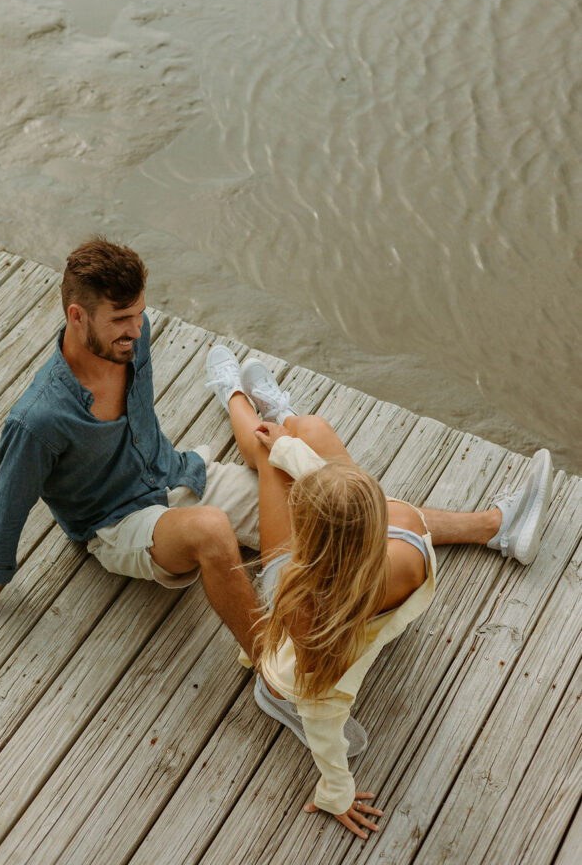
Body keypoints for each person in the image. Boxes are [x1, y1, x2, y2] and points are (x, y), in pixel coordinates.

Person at [204, 345, 553, 839]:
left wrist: (336, 793)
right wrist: (292, 445)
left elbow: (323, 717)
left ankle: (234, 396)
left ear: (310, 539)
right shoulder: (401, 540)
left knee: (268, 451)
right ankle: (272, 409)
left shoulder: (304, 609)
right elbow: (345, 495)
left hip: (305, 636)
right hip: (343, 602)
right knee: (308, 434)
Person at [0, 239, 263, 659]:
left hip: (175, 472)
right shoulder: (39, 419)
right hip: (120, 523)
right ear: (76, 317)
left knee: (309, 500)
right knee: (212, 530)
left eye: (139, 314)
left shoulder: (135, 338)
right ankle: (275, 674)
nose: (137, 330)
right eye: (121, 319)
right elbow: (9, 505)